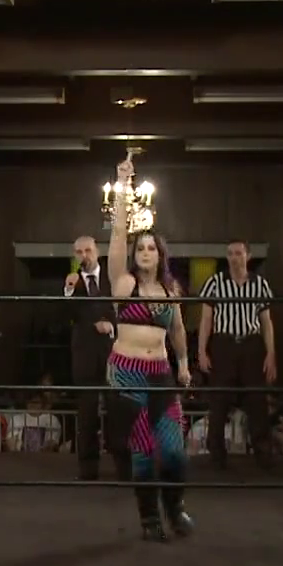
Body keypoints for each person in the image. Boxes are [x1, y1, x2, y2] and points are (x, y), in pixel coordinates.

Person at [104, 156, 193, 542]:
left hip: (161, 373)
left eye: (150, 248)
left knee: (173, 449)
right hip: (127, 372)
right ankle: (149, 518)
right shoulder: (125, 285)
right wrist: (122, 187)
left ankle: (174, 508)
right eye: (139, 248)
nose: (144, 252)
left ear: (160, 255)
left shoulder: (171, 291)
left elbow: (178, 330)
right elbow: (117, 239)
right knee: (143, 447)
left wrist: (184, 363)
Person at [196, 239, 276, 469]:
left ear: (248, 256)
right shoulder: (215, 282)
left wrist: (271, 354)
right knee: (219, 400)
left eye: (238, 253)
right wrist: (202, 351)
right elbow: (206, 320)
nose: (234, 258)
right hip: (224, 344)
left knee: (257, 400)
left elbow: (266, 322)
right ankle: (216, 455)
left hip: (251, 344)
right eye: (230, 253)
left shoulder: (259, 284)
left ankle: (263, 454)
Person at [63, 235, 128, 481]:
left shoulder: (113, 279)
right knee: (87, 415)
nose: (84, 256)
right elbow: (64, 316)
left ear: (97, 251)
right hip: (85, 355)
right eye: (79, 252)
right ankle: (88, 470)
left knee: (118, 412)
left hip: (114, 353)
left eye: (88, 250)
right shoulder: (72, 282)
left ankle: (124, 468)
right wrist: (69, 291)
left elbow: (125, 309)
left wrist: (111, 326)